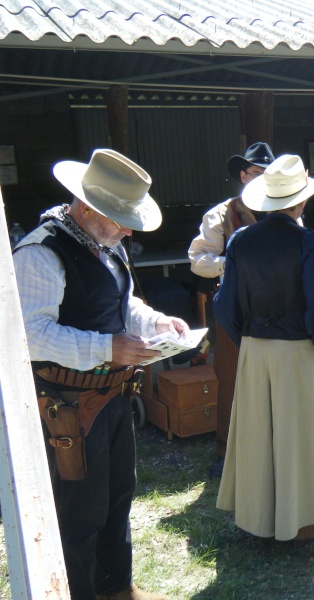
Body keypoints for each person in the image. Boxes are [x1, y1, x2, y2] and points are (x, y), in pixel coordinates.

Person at [13, 149, 186, 600]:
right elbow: (28, 335)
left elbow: (121, 303)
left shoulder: (103, 242)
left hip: (109, 397)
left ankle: (116, 589)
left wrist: (156, 323)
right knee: (80, 512)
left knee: (116, 498)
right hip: (67, 407)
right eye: (121, 218)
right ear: (88, 208)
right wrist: (107, 348)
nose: (128, 229)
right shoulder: (40, 253)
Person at [213, 154, 314, 541]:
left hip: (255, 348)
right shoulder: (308, 242)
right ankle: (303, 522)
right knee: (300, 433)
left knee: (258, 434)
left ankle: (258, 520)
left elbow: (225, 304)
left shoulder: (240, 240)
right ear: (301, 201)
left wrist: (250, 341)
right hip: (298, 349)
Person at [188, 141, 275, 478]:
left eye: (268, 174)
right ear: (243, 175)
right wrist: (234, 263)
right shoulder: (221, 214)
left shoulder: (285, 211)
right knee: (231, 381)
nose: (262, 179)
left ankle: (270, 448)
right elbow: (198, 262)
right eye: (256, 173)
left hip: (277, 311)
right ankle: (226, 453)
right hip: (233, 312)